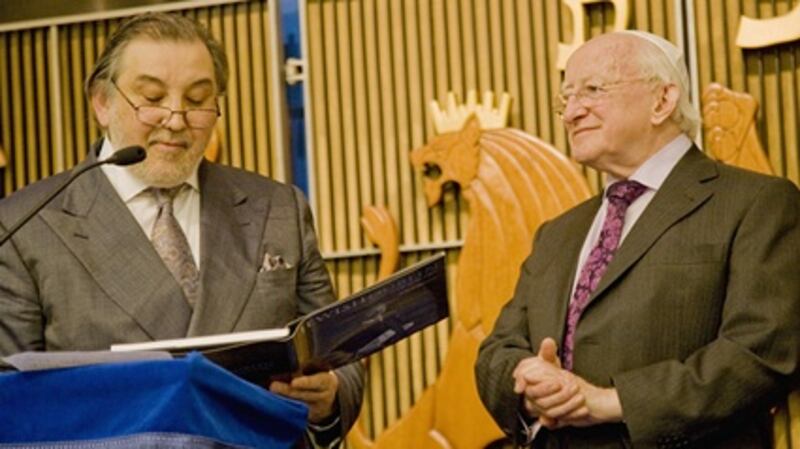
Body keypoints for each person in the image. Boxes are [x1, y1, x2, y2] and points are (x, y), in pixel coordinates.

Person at [0, 12, 362, 448]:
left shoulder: (276, 208)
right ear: (101, 102)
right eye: (152, 97)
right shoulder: (26, 224)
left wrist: (330, 395)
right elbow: (12, 403)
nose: (175, 119)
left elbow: (340, 356)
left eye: (197, 100)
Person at [475, 30, 800, 449]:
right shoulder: (557, 233)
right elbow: (497, 349)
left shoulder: (755, 203)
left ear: (662, 101)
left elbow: (763, 351)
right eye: (565, 99)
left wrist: (609, 402)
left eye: (592, 90)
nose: (572, 112)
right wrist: (527, 381)